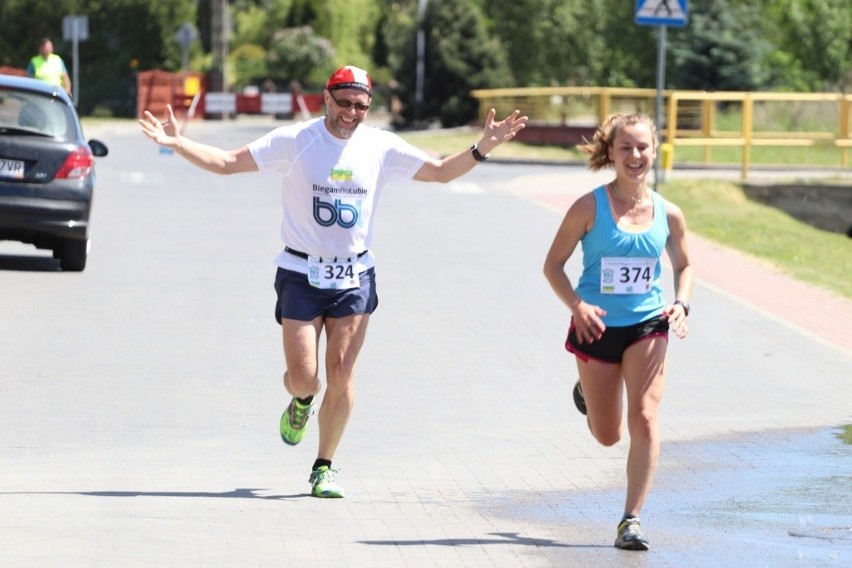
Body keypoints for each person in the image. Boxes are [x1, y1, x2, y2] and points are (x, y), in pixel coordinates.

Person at [138, 66, 527, 499]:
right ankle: (301, 401)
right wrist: (177, 143)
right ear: (326, 97)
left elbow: (438, 171)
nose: (352, 113)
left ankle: (324, 466)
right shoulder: (296, 141)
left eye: (361, 106)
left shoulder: (380, 145)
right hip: (301, 274)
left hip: (354, 276)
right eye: (344, 103)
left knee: (341, 372)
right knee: (306, 377)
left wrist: (483, 147)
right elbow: (229, 163)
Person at [542, 112, 693, 551]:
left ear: (655, 150)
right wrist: (577, 305)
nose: (635, 155)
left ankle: (631, 519)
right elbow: (552, 265)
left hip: (648, 326)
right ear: (611, 153)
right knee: (608, 434)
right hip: (596, 327)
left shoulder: (669, 213)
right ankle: (588, 395)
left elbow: (685, 265)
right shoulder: (589, 207)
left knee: (644, 415)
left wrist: (681, 304)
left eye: (642, 147)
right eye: (625, 147)